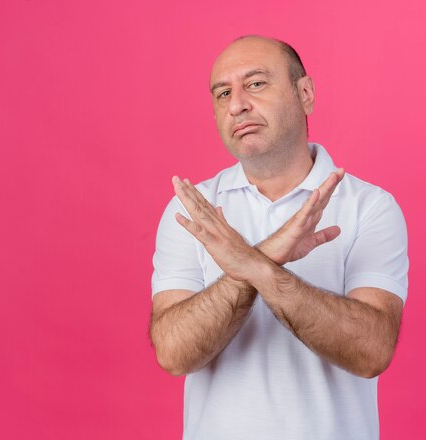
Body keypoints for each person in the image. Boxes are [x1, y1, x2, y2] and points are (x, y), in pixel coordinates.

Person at [149, 35, 409, 440]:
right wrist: (265, 259)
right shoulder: (192, 210)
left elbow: (371, 351)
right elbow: (174, 353)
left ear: (304, 94)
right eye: (222, 93)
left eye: (256, 84)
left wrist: (255, 266)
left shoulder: (370, 207)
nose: (237, 104)